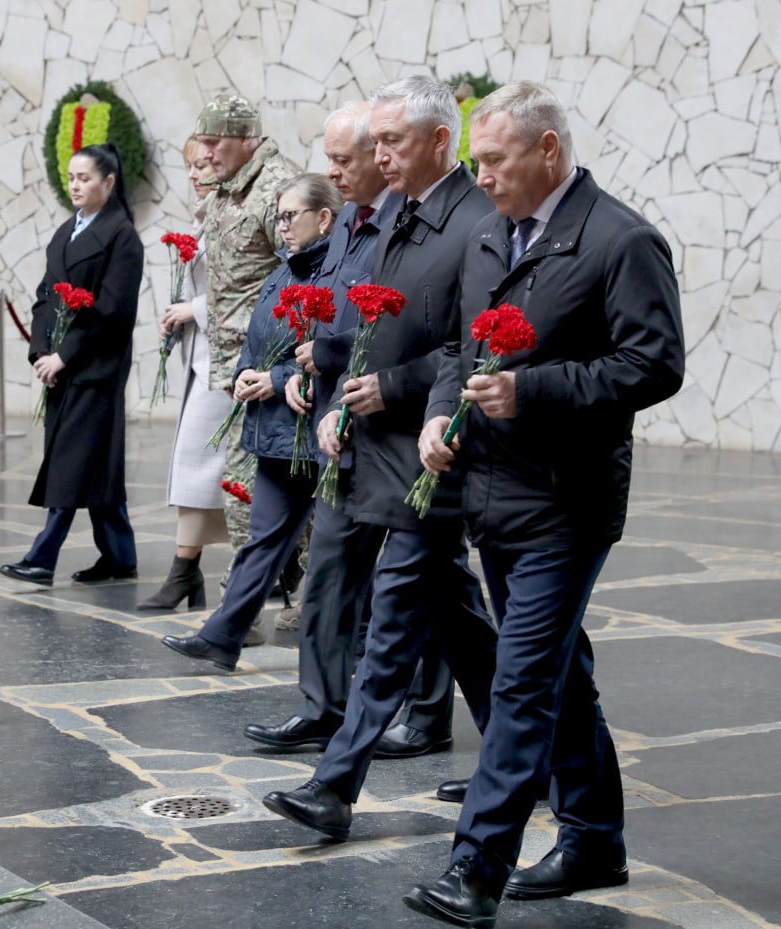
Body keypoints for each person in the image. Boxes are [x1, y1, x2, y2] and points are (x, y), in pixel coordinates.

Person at [404, 81, 684, 929]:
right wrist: (436, 417)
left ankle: (476, 867)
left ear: (548, 152)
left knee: (522, 680)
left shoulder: (623, 238)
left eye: (493, 160)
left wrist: (536, 390)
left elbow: (654, 364)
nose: (478, 176)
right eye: (474, 160)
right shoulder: (489, 236)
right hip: (490, 493)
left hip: (568, 501)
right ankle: (595, 838)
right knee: (560, 671)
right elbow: (461, 344)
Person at [261, 75, 499, 838]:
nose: (377, 155)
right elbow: (374, 320)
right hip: (374, 441)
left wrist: (390, 388)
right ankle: (531, 756)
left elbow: (473, 348)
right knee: (456, 618)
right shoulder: (393, 208)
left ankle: (335, 784)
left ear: (438, 141)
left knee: (396, 612)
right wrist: (336, 401)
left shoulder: (477, 223)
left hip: (432, 449)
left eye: (390, 142)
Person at [242, 101, 390, 749]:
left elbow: (407, 322)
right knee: (327, 571)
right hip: (336, 415)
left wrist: (325, 361)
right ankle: (321, 705)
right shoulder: (352, 224)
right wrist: (301, 373)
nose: (332, 170)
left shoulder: (408, 224)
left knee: (437, 585)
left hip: (397, 421)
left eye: (343, 159)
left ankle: (433, 712)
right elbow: (329, 316)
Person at [161, 174, 340, 671]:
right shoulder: (284, 272)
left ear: (323, 218)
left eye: (289, 216)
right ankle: (223, 635)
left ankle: (347, 654)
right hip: (276, 428)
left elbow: (333, 347)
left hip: (312, 426)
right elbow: (259, 341)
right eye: (278, 215)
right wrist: (244, 375)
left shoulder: (333, 274)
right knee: (264, 537)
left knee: (329, 550)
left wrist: (276, 376)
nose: (280, 225)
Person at [0, 143, 143, 586]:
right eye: (72, 177)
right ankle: (120, 557)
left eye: (85, 178)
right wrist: (43, 351)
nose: (75, 185)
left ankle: (43, 557)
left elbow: (113, 312)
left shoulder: (122, 237)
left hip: (95, 368)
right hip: (59, 367)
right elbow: (46, 295)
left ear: (109, 183)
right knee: (94, 465)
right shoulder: (68, 231)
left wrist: (66, 354)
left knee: (71, 462)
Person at [193, 94, 302, 584]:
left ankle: (245, 605)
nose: (208, 154)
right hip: (235, 369)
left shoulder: (279, 191)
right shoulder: (226, 190)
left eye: (215, 143)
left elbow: (304, 280)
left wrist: (287, 370)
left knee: (255, 480)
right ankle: (292, 588)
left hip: (270, 371)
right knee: (263, 482)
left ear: (245, 138)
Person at [139, 137, 232, 610]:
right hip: (201, 358)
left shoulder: (233, 215)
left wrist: (190, 309)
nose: (195, 174)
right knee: (196, 467)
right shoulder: (204, 215)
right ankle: (186, 570)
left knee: (200, 465)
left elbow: (243, 288)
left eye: (203, 166)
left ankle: (185, 572)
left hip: (227, 361)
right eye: (191, 167)